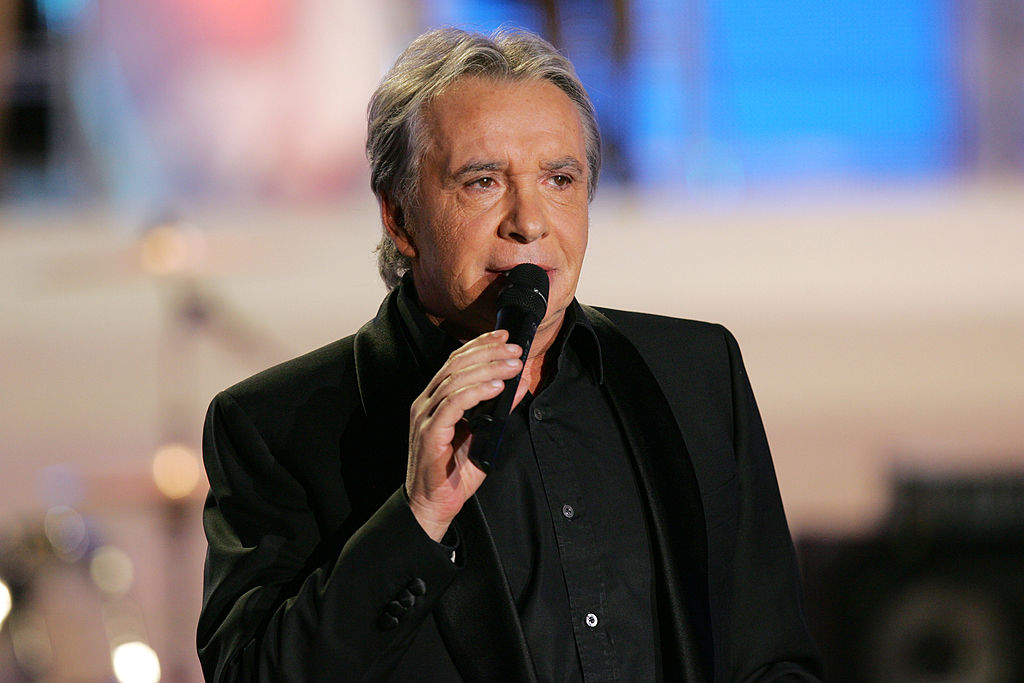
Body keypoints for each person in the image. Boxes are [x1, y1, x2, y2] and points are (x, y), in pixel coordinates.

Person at [197, 27, 822, 682]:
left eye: (559, 178)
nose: (530, 220)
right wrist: (417, 518)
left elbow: (772, 658)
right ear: (398, 216)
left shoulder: (696, 372)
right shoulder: (276, 426)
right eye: (483, 181)